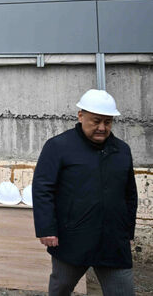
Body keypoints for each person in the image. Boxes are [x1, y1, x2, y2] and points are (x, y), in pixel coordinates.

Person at [33, 89, 137, 296]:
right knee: (61, 287)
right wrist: (46, 228)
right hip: (72, 237)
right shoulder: (58, 146)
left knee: (123, 291)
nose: (102, 128)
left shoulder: (122, 150)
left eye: (108, 122)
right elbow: (43, 188)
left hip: (113, 240)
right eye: (96, 121)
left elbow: (130, 194)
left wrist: (128, 231)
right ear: (81, 116)